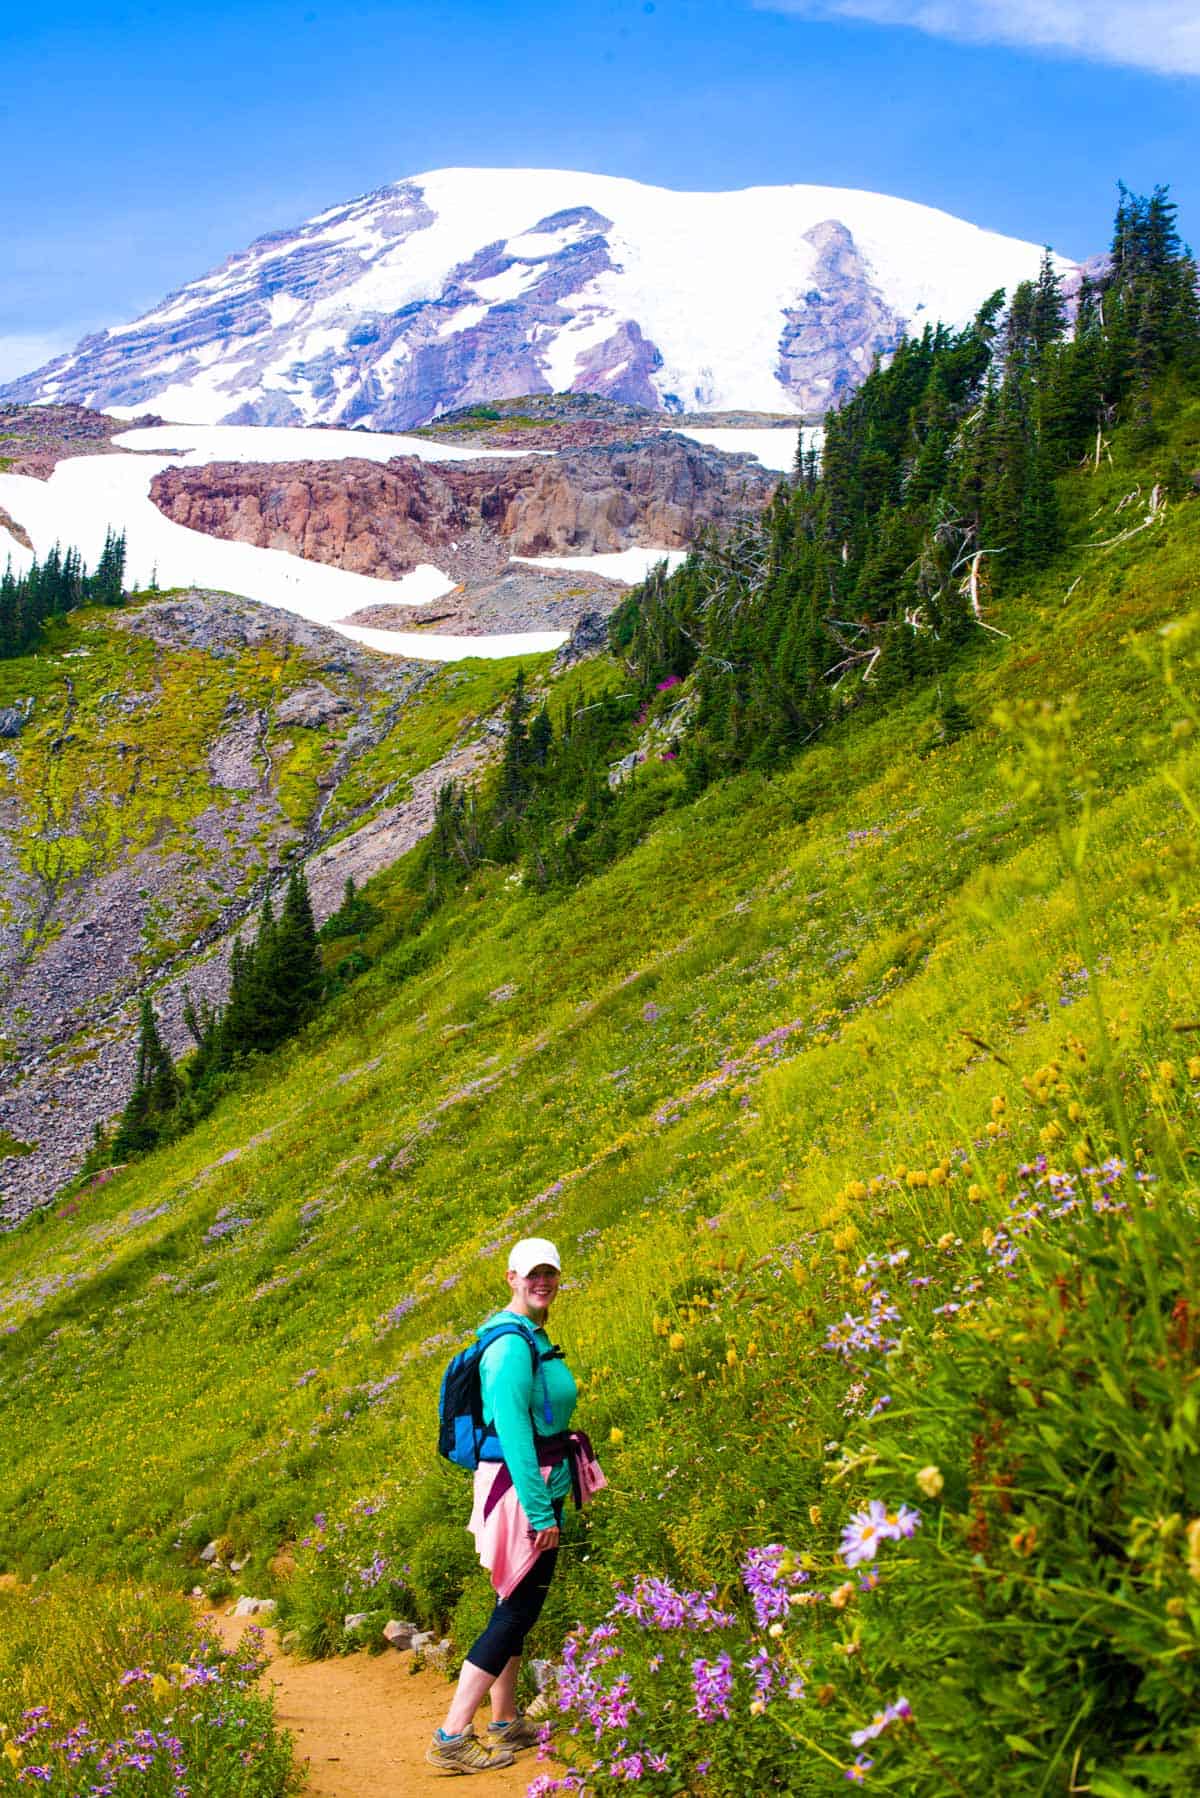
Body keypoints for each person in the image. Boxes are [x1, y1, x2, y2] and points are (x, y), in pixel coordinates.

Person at [426, 1237, 604, 1775]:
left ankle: (504, 1721)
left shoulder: (529, 1335)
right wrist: (541, 1512)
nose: (542, 1282)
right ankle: (453, 1734)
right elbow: (517, 1435)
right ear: (511, 1277)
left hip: (529, 1487)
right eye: (532, 1274)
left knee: (516, 1604)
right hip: (520, 1492)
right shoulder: (508, 1347)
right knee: (517, 1609)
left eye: (549, 1272)